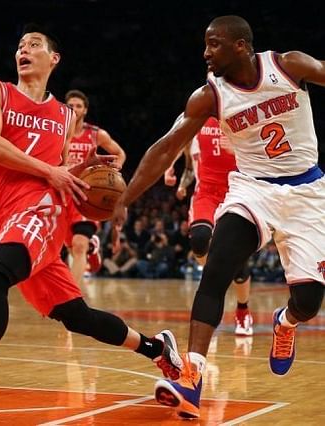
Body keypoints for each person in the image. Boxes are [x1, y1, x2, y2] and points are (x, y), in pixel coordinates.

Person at [0, 23, 180, 409]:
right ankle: (158, 349)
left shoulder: (62, 115)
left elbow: (54, 174)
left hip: (40, 209)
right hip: (5, 213)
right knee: (76, 315)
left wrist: (84, 175)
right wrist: (55, 171)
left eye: (34, 45)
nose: (23, 50)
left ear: (53, 58)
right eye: (20, 45)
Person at [112, 15, 325, 419]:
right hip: (253, 190)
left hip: (308, 194)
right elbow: (166, 146)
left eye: (214, 44)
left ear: (240, 46)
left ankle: (286, 322)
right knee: (216, 270)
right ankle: (191, 377)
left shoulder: (288, 65)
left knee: (309, 302)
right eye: (206, 45)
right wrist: (127, 197)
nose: (206, 52)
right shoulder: (209, 96)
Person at [165, 117, 254, 336]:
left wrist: (238, 150)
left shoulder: (242, 112)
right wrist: (170, 168)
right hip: (206, 193)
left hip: (238, 192)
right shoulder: (197, 114)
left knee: (239, 263)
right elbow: (178, 143)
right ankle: (216, 281)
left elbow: (263, 153)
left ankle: (243, 310)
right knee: (199, 240)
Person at [64, 89, 126, 285]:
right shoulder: (57, 131)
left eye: (78, 106)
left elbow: (119, 153)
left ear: (85, 111)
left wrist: (115, 170)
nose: (74, 108)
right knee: (69, 245)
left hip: (86, 193)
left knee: (78, 244)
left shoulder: (95, 134)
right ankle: (93, 248)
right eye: (70, 105)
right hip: (62, 190)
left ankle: (71, 296)